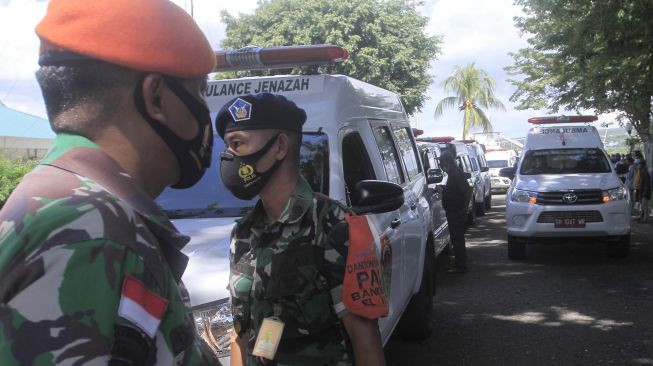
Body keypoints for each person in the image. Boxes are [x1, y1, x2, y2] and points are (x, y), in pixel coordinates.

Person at [0, 0, 220, 364]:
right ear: (157, 98)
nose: (205, 113)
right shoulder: (91, 229)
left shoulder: (65, 200)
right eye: (199, 92)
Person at [217, 93, 386, 366]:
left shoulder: (335, 225)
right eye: (227, 146)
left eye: (238, 144)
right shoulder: (244, 234)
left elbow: (365, 339)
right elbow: (241, 336)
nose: (229, 157)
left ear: (280, 146)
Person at [440, 151, 472, 274]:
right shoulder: (452, 173)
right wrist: (444, 189)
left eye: (442, 163)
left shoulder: (456, 173)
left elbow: (467, 190)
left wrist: (463, 209)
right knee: (456, 238)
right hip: (454, 210)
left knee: (457, 238)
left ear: (447, 162)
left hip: (456, 211)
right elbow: (454, 191)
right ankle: (460, 262)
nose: (442, 166)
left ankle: (460, 265)